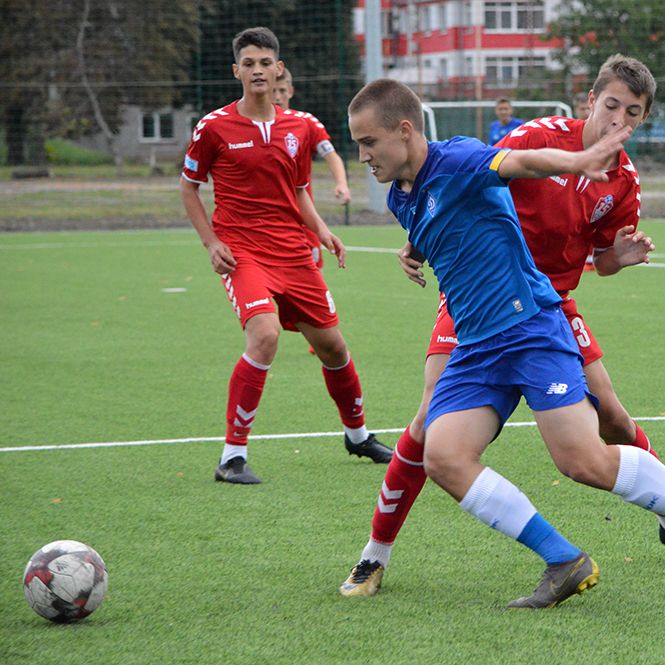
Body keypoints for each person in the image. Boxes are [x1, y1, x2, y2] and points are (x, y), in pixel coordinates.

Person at [341, 54, 661, 599]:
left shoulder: (466, 157)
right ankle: (561, 559)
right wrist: (416, 247)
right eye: (612, 106)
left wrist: (580, 170)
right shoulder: (402, 195)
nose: (362, 154)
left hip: (536, 317)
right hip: (475, 334)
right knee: (437, 446)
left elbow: (514, 167)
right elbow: (467, 191)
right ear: (591, 101)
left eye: (367, 142)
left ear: (403, 131)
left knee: (588, 450)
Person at [179, 27, 392, 484]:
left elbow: (297, 192)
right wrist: (211, 242)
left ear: (278, 70)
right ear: (236, 71)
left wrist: (322, 231)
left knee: (333, 347)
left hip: (295, 254)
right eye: (248, 64)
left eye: (265, 63)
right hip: (244, 253)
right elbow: (189, 187)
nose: (257, 70)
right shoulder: (213, 127)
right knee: (265, 335)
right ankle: (232, 457)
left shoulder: (297, 125)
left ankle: (357, 436)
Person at [273, 67, 351, 270]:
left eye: (282, 90)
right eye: (273, 91)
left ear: (290, 90)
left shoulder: (306, 123)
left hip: (303, 218)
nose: (278, 96)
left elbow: (331, 155)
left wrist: (341, 183)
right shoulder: (253, 126)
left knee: (311, 283)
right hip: (269, 219)